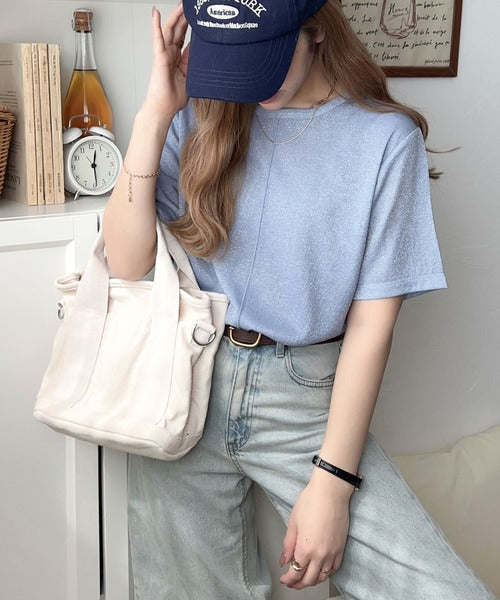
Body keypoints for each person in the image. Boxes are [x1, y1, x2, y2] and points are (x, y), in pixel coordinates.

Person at [102, 1, 497, 598]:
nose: (246, 83)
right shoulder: (200, 112)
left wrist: (333, 485)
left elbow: (371, 326)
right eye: (230, 59)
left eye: (261, 58)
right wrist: (157, 112)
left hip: (302, 399)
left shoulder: (384, 141)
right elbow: (127, 264)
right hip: (182, 382)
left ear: (316, 31)